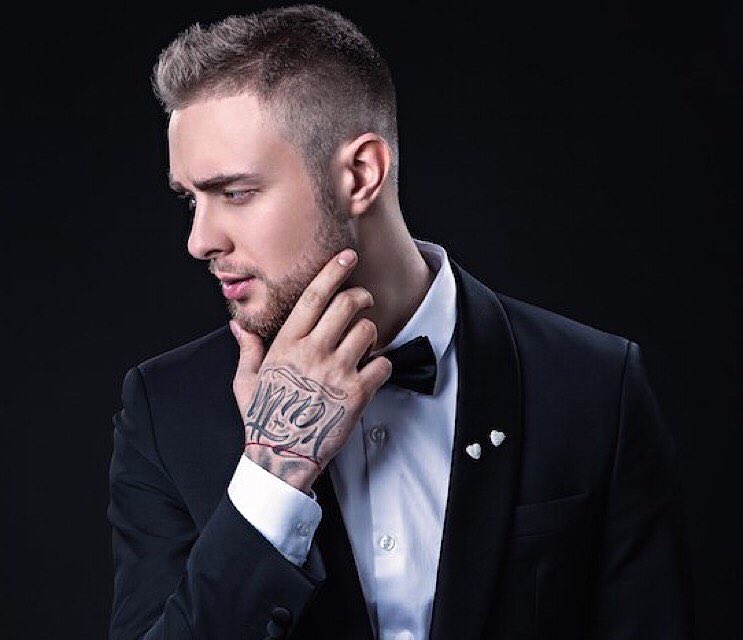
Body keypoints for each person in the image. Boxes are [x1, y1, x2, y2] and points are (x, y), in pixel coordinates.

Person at [107, 4, 694, 639]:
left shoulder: (594, 385)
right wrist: (273, 474)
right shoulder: (165, 408)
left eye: (235, 193)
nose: (200, 241)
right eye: (191, 200)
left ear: (361, 175)